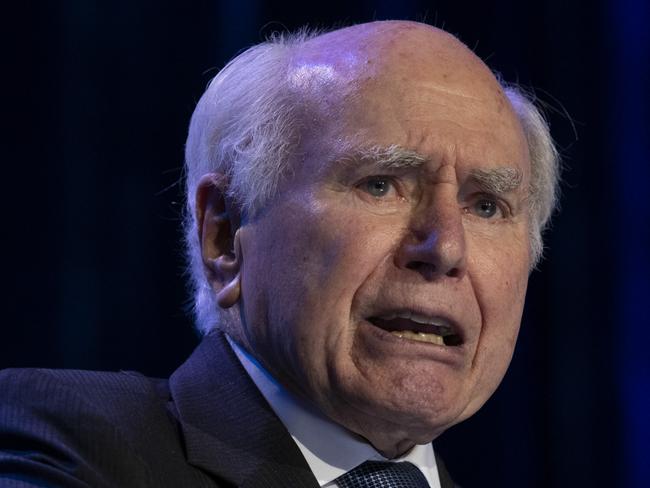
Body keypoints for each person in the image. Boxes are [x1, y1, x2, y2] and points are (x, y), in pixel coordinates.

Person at [0, 20, 559, 487]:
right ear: (224, 232)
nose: (445, 247)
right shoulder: (69, 444)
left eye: (486, 206)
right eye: (381, 184)